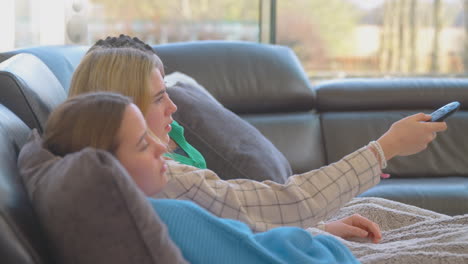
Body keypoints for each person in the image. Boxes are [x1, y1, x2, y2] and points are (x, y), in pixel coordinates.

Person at [67, 35, 446, 243]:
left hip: (288, 232)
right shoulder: (164, 177)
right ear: (124, 110)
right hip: (290, 233)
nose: (174, 107)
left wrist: (317, 229)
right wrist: (387, 147)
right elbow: (287, 202)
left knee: (417, 221)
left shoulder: (133, 169)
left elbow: (236, 223)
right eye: (160, 97)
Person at [41, 91, 360, 264]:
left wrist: (315, 231)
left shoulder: (141, 211)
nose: (160, 146)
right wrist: (329, 245)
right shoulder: (167, 217)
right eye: (142, 143)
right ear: (106, 168)